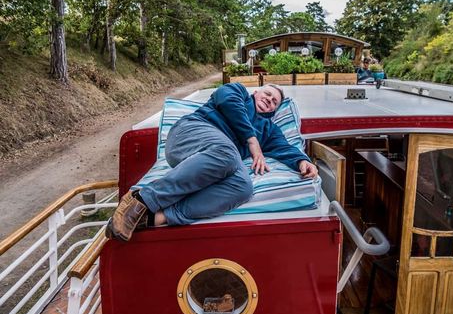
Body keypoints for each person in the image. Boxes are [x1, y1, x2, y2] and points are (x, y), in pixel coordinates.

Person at [106, 83, 318, 241]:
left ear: (274, 110)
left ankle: (155, 218)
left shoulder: (270, 130)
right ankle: (141, 200)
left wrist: (302, 162)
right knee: (227, 152)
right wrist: (252, 141)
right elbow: (226, 100)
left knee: (243, 188)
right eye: (267, 94)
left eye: (274, 102)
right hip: (189, 135)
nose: (269, 100)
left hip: (216, 161)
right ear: (256, 92)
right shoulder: (239, 93)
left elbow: (286, 148)